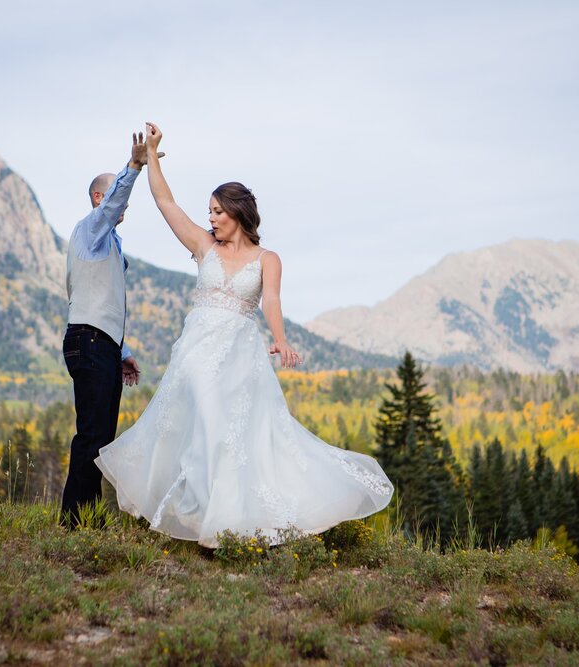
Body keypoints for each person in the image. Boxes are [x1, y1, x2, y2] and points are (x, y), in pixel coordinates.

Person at [94, 122, 393, 547]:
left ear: (238, 213)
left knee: (238, 433)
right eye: (210, 211)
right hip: (198, 351)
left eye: (217, 211)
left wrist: (280, 338)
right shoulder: (203, 246)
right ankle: (209, 520)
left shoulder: (268, 258)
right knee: (209, 422)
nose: (211, 218)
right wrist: (153, 157)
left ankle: (227, 525)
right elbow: (165, 202)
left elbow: (271, 300)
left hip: (240, 354)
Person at [60, 132, 161, 530]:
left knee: (100, 436)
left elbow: (98, 301)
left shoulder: (107, 245)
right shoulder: (91, 229)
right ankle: (75, 521)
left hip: (99, 343)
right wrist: (134, 166)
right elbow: (116, 199)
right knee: (92, 436)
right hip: (88, 342)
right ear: (100, 199)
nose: (125, 209)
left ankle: (85, 516)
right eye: (117, 200)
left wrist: (121, 352)